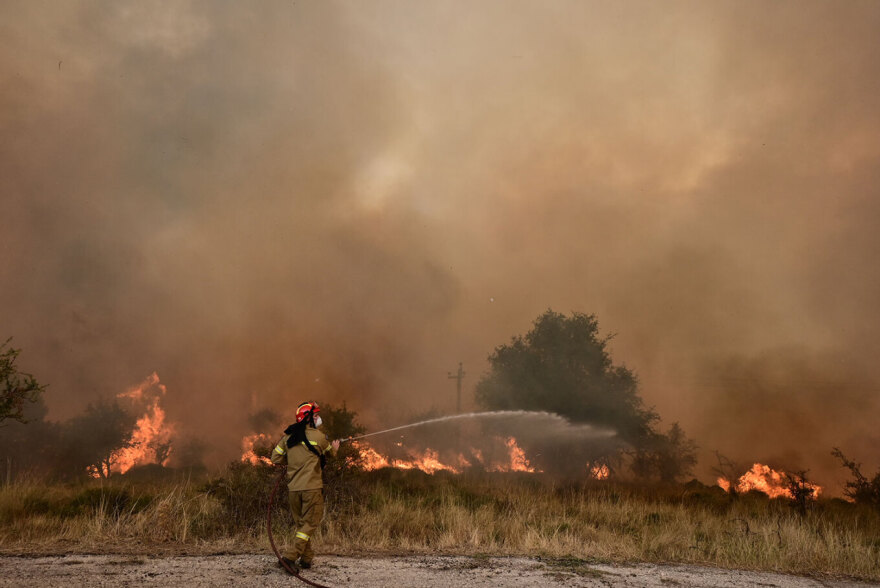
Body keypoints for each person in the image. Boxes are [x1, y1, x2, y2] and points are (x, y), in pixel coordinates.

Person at [271, 400, 340, 572]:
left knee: (302, 525)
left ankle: (307, 559)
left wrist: (294, 459)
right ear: (308, 418)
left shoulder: (288, 438)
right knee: (310, 524)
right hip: (311, 489)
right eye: (316, 416)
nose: (318, 418)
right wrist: (336, 447)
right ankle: (289, 557)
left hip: (294, 489)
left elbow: (275, 458)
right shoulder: (318, 437)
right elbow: (331, 454)